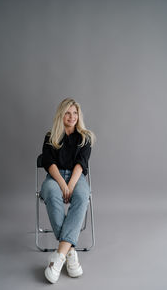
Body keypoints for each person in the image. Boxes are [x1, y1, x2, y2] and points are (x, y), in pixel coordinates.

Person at [40, 98, 96, 284]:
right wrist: (62, 185)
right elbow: (48, 163)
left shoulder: (85, 137)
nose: (72, 116)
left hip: (76, 177)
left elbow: (81, 164)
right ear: (61, 115)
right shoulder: (51, 136)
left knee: (82, 196)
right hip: (55, 177)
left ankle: (59, 257)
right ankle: (70, 252)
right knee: (50, 191)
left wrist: (70, 185)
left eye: (75, 113)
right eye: (68, 113)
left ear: (78, 115)